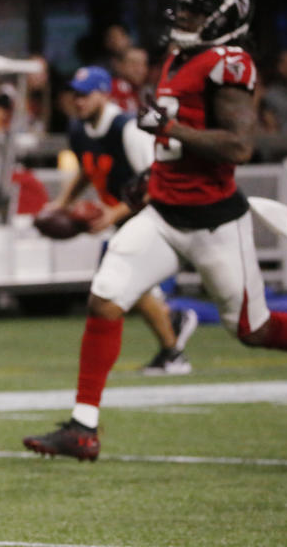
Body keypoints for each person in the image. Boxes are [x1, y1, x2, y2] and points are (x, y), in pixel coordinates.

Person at [23, 0, 287, 462]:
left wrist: (172, 129)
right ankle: (84, 427)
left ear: (224, 18)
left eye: (196, 10)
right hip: (163, 213)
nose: (183, 15)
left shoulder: (229, 63)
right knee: (105, 297)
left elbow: (239, 144)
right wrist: (152, 174)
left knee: (253, 330)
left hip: (214, 222)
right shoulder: (181, 56)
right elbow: (174, 142)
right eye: (183, 6)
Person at [55, 65, 198, 375]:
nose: (78, 102)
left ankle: (173, 350)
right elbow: (87, 168)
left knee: (123, 283)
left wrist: (113, 213)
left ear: (104, 94)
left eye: (85, 95)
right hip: (124, 220)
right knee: (121, 287)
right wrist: (61, 204)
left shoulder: (127, 128)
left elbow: (155, 179)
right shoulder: (79, 129)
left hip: (152, 215)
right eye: (75, 95)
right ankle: (172, 330)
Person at [109, 46, 149, 114]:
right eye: (134, 64)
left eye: (144, 64)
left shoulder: (145, 91)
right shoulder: (112, 89)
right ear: (121, 66)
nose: (140, 70)